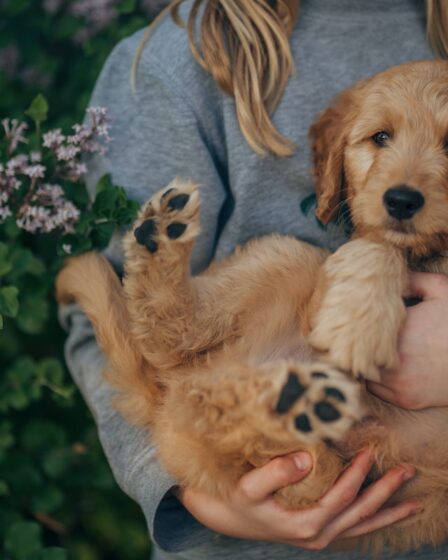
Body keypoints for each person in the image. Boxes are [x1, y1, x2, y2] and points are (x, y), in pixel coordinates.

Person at [59, 0, 448, 558]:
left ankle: (252, 420)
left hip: (413, 486)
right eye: (379, 138)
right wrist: (191, 495)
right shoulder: (184, 57)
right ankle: (176, 327)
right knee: (297, 266)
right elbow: (96, 325)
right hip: (242, 512)